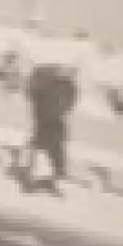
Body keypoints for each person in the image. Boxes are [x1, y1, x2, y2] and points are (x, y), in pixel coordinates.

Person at [21, 49, 79, 194]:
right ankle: (34, 179)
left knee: (54, 151)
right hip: (45, 120)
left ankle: (50, 179)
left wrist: (61, 109)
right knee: (43, 149)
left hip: (54, 121)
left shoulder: (67, 86)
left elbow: (70, 102)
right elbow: (32, 94)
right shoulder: (44, 81)